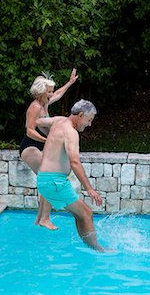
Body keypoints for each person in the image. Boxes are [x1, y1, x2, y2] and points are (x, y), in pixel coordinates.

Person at [35, 99, 105, 252]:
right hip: (54, 182)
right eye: (89, 120)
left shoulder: (58, 121)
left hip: (47, 179)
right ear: (80, 115)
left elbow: (38, 121)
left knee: (81, 214)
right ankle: (98, 250)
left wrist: (51, 138)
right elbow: (74, 162)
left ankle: (90, 247)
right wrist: (90, 189)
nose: (89, 124)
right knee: (87, 213)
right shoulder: (71, 132)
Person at [19, 69, 79, 230]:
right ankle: (44, 219)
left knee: (49, 179)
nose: (52, 94)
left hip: (41, 147)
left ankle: (40, 219)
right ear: (41, 92)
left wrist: (70, 82)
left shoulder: (44, 103)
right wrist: (48, 141)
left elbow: (58, 94)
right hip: (30, 147)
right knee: (49, 178)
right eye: (49, 92)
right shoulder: (35, 107)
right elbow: (29, 130)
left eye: (51, 91)